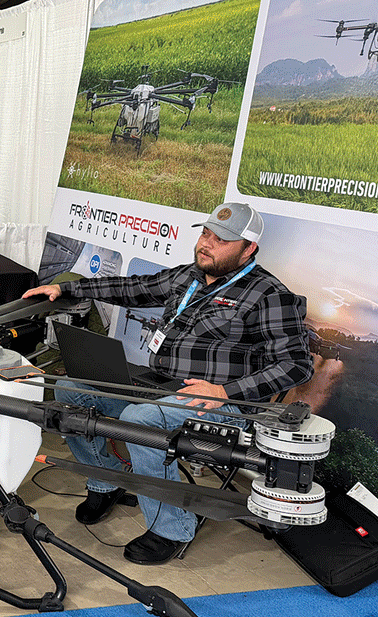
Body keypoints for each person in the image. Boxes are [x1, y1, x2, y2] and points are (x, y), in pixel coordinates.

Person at [22, 202, 313, 565]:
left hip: (225, 405)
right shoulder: (190, 276)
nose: (206, 243)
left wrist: (223, 392)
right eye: (205, 233)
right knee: (71, 391)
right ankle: (107, 482)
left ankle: (172, 529)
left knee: (144, 420)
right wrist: (67, 292)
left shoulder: (270, 296)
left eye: (221, 239)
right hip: (163, 385)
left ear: (248, 248)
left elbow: (297, 366)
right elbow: (133, 288)